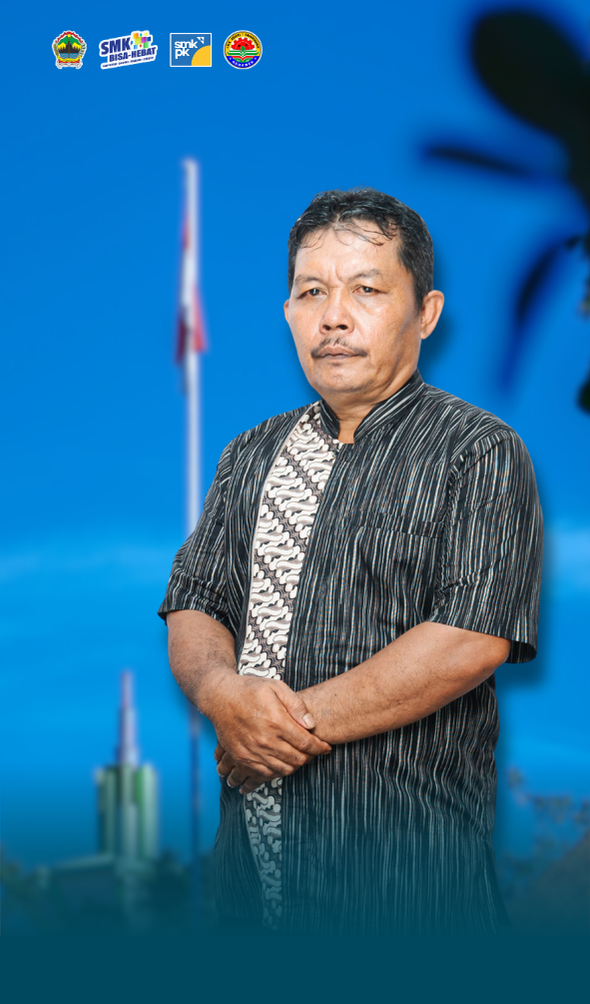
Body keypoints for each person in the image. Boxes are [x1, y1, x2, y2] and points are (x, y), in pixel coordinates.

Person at [159, 188, 543, 935]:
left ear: (426, 312)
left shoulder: (478, 451)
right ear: (288, 313)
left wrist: (275, 729)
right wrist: (220, 693)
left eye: (367, 289)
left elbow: (472, 637)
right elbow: (196, 600)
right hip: (248, 894)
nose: (334, 317)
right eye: (312, 293)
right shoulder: (250, 455)